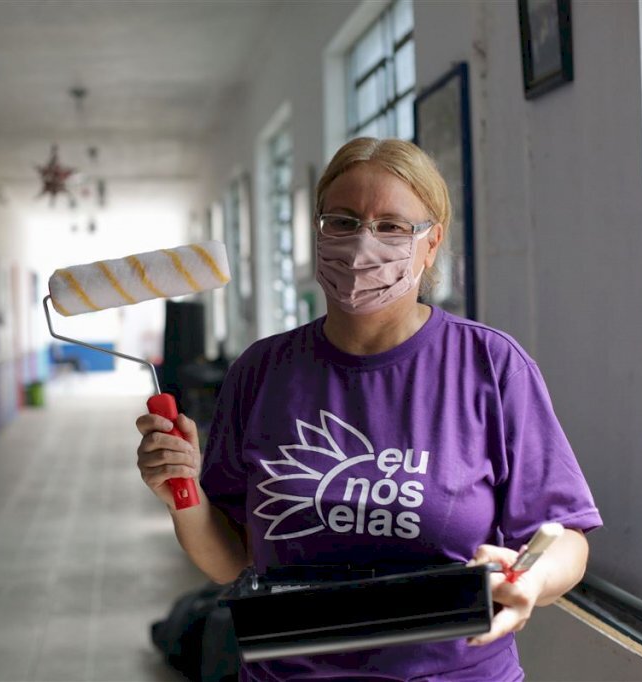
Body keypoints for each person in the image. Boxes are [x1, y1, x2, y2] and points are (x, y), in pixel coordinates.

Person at [135, 137, 602, 681]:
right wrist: (182, 494)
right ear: (317, 232)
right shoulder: (261, 372)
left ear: (432, 244)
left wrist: (531, 582)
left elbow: (565, 534)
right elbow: (231, 560)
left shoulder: (490, 366)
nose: (362, 245)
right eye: (344, 220)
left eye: (392, 226)